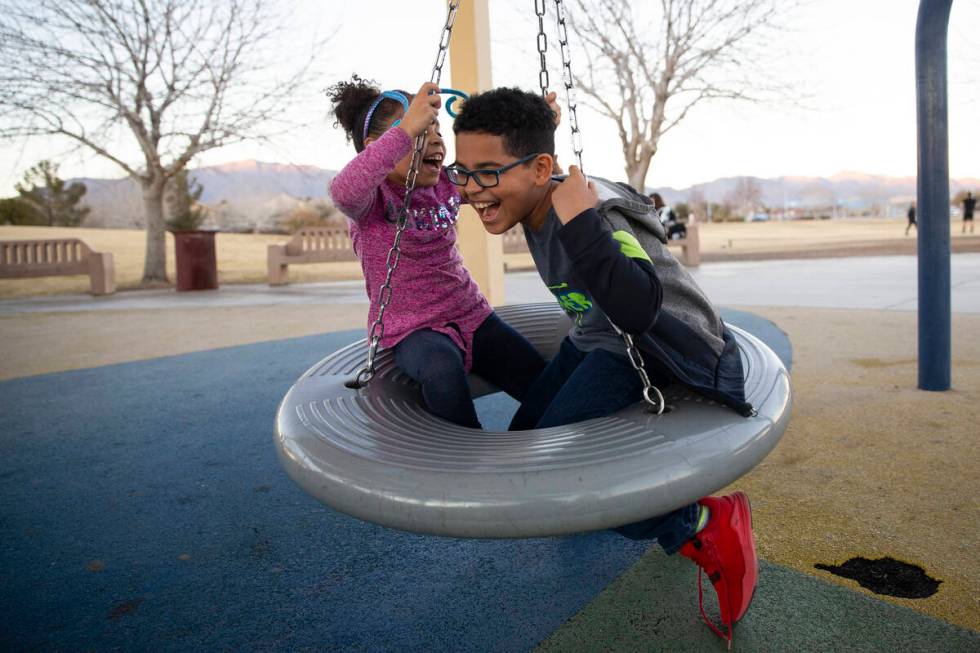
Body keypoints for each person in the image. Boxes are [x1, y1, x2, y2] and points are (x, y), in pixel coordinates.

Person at [450, 87, 756, 647]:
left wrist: (581, 221)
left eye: (488, 172)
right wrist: (544, 122)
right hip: (593, 336)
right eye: (463, 171)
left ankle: (703, 524)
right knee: (523, 446)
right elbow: (521, 161)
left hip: (651, 351)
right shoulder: (533, 191)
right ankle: (603, 510)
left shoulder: (599, 217)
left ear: (541, 168)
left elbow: (640, 308)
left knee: (561, 484)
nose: (473, 189)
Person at [327, 76, 547, 429]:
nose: (435, 141)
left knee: (541, 380)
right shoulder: (372, 200)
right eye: (419, 133)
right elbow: (343, 190)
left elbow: (494, 175)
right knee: (440, 369)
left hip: (472, 314)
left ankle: (525, 439)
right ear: (376, 148)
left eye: (437, 131)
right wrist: (403, 132)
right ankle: (467, 456)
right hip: (413, 328)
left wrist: (535, 135)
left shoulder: (446, 182)